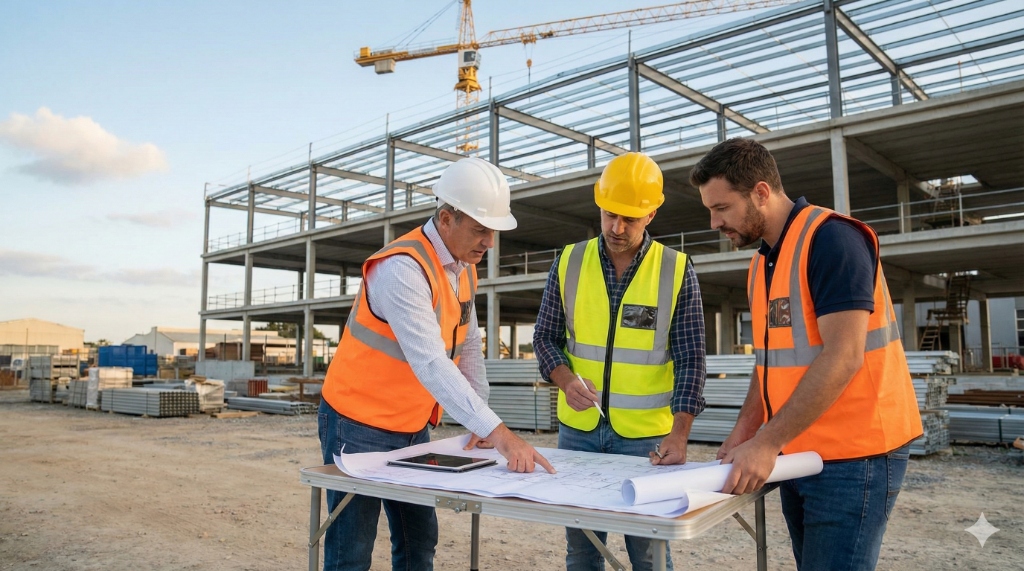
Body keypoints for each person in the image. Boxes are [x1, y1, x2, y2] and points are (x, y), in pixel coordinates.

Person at [689, 138, 923, 571]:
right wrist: (746, 430)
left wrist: (767, 442)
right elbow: (770, 363)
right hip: (801, 451)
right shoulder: (762, 263)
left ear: (761, 192)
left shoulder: (832, 239)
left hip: (859, 454)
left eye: (721, 207)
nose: (713, 222)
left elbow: (844, 355)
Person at [318, 157, 555, 571]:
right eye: (481, 229)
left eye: (494, 231)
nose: (490, 242)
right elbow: (430, 361)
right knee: (352, 547)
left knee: (418, 538)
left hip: (411, 424)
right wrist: (499, 434)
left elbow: (468, 345)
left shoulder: (463, 270)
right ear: (446, 218)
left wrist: (477, 420)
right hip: (357, 422)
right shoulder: (402, 268)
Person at [534, 152, 706, 571]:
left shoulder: (676, 270)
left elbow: (691, 359)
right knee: (582, 551)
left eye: (630, 218)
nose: (617, 227)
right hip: (579, 434)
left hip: (646, 441)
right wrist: (565, 378)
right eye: (610, 214)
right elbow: (544, 339)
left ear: (652, 213)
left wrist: (680, 434)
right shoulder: (569, 262)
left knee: (649, 553)